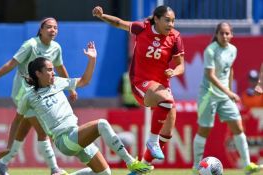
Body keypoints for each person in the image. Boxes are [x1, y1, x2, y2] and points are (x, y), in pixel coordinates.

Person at [14, 42, 153, 175]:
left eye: (53, 69)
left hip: (75, 134)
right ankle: (131, 162)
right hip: (64, 140)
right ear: (38, 73)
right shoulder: (29, 96)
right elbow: (17, 120)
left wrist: (92, 60)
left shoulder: (57, 82)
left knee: (105, 173)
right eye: (49, 70)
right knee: (102, 124)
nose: (54, 73)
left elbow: (84, 81)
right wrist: (9, 147)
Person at [0, 17, 77, 175]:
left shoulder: (56, 48)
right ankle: (54, 169)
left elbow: (60, 66)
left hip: (39, 94)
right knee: (42, 130)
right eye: (49, 27)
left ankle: (3, 164)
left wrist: (71, 89)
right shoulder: (31, 45)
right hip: (24, 94)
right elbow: (12, 63)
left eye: (55, 28)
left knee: (24, 128)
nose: (53, 30)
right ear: (41, 30)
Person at [92, 5, 185, 164]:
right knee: (167, 101)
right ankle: (152, 140)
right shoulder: (142, 28)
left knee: (168, 130)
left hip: (160, 86)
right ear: (156, 19)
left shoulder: (175, 37)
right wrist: (102, 16)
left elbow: (181, 65)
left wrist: (174, 72)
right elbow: (119, 23)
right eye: (167, 20)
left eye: (173, 21)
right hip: (140, 82)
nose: (171, 24)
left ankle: (143, 167)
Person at [192, 22, 262, 175]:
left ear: (232, 35)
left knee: (238, 127)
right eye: (221, 33)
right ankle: (196, 166)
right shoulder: (210, 50)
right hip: (209, 95)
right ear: (216, 35)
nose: (224, 36)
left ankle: (247, 165)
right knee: (204, 130)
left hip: (224, 96)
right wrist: (229, 92)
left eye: (227, 33)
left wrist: (229, 91)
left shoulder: (233, 49)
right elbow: (210, 76)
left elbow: (230, 69)